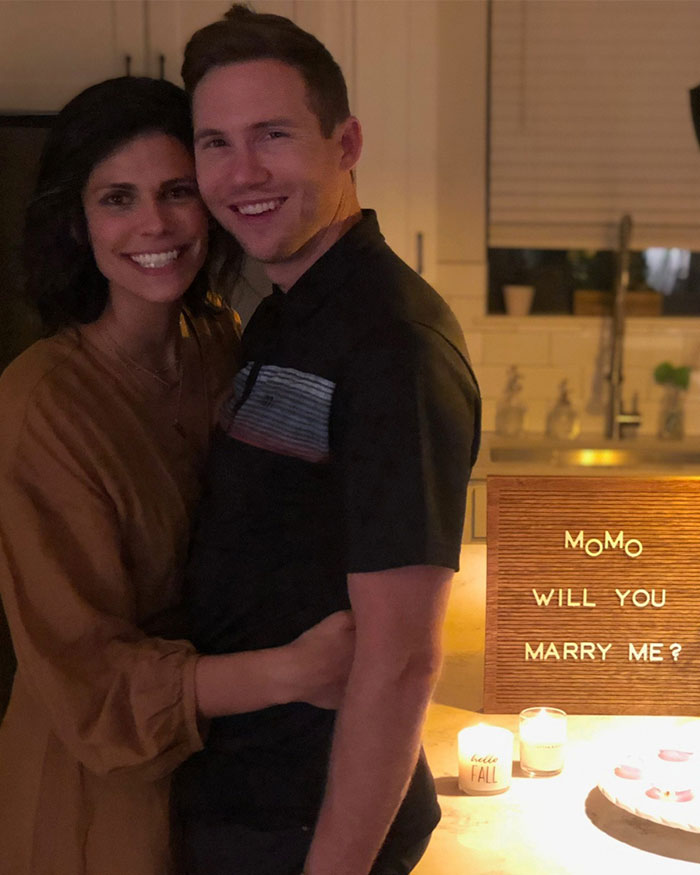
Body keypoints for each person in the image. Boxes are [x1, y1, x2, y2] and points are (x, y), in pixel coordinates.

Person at [0, 76, 355, 875]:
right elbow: (91, 681)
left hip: (224, 773)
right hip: (97, 799)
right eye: (117, 198)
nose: (154, 224)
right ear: (75, 220)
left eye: (177, 191)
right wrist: (295, 671)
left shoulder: (217, 339)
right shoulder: (37, 408)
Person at [173, 6, 482, 875]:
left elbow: (403, 659)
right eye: (215, 143)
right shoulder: (280, 316)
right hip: (246, 793)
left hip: (306, 824)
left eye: (272, 134)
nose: (242, 173)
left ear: (345, 143)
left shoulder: (393, 345)